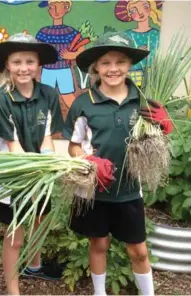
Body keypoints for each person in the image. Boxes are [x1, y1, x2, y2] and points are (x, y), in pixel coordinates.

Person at [62, 31, 172, 296]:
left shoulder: (143, 101)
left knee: (138, 249)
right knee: (98, 244)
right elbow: (73, 146)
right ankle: (99, 293)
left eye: (120, 61)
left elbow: (154, 138)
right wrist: (89, 161)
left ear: (129, 65)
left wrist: (165, 128)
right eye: (106, 62)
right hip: (94, 190)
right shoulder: (83, 103)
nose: (113, 69)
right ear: (96, 68)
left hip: (129, 190)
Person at [0, 32, 64, 295]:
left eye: (30, 61)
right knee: (15, 234)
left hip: (39, 170)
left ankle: (34, 266)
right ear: (8, 65)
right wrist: (37, 171)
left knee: (40, 219)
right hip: (13, 172)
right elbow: (14, 147)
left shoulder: (48, 95)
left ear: (38, 64)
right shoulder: (0, 99)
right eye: (17, 61)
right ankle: (13, 289)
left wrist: (50, 164)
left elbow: (47, 140)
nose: (24, 68)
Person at [115, 0, 162, 85]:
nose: (140, 12)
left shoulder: (157, 34)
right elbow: (120, 59)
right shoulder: (127, 35)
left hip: (152, 77)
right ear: (129, 14)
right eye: (133, 10)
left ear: (151, 8)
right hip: (132, 76)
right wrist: (135, 54)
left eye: (145, 6)